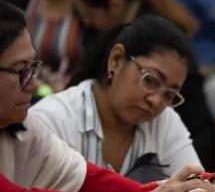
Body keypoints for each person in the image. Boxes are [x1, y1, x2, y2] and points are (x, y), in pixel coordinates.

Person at [0, 0, 215, 192]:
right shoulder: (52, 117)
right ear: (116, 60)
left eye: (169, 94)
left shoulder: (25, 129)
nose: (34, 84)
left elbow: (86, 179)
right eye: (20, 71)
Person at [32, 15, 201, 181]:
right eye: (150, 80)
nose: (156, 101)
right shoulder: (52, 121)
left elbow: (203, 190)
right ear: (116, 60)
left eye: (169, 94)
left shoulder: (164, 122)